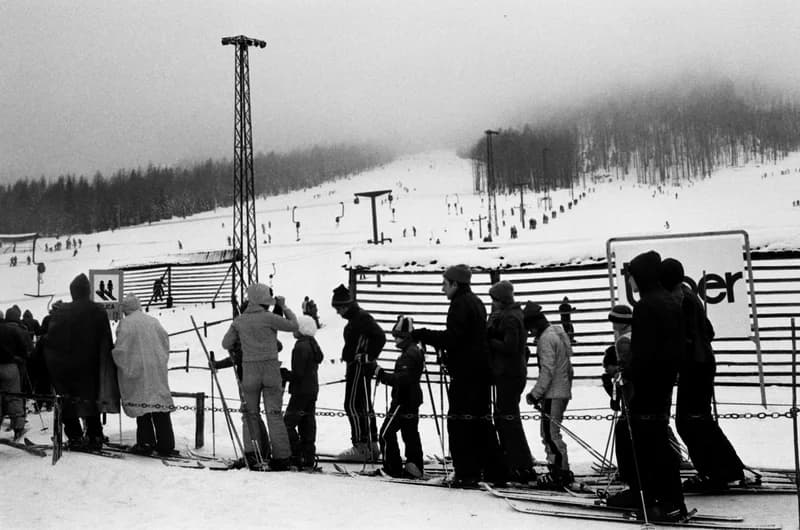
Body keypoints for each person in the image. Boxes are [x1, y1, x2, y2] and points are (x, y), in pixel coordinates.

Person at [607, 250, 687, 522]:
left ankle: (663, 501)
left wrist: (627, 374)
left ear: (640, 276)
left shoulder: (647, 305)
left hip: (648, 384)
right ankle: (653, 496)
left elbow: (642, 352)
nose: (630, 282)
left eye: (631, 277)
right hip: (662, 382)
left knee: (649, 445)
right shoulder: (669, 301)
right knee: (652, 442)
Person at [411, 264, 506, 487]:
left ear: (455, 284)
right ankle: (494, 470)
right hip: (479, 372)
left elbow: (455, 338)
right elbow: (468, 340)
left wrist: (423, 334)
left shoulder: (460, 304)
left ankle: (466, 472)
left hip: (467, 374)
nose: (442, 289)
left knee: (459, 423)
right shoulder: (475, 302)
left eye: (445, 284)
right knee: (482, 423)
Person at [660, 257, 746, 491]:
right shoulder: (688, 294)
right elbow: (708, 330)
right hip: (701, 363)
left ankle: (715, 472)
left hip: (695, 365)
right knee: (698, 420)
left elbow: (685, 336)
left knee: (691, 422)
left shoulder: (681, 299)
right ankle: (728, 468)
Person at [221, 283, 298, 470]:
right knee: (274, 414)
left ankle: (253, 454)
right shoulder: (270, 318)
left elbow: (225, 343)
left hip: (249, 372)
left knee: (250, 415)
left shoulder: (239, 321)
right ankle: (282, 458)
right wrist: (284, 307)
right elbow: (294, 326)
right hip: (271, 369)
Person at [43, 273, 120, 450]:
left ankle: (75, 436)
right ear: (88, 291)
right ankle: (95, 434)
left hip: (66, 367)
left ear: (73, 292)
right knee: (90, 400)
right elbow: (106, 340)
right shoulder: (98, 311)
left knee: (69, 401)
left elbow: (51, 339)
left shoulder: (62, 312)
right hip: (91, 366)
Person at [111, 294, 176, 456]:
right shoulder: (153, 321)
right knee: (159, 404)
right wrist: (159, 360)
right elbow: (165, 343)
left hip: (138, 370)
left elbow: (121, 350)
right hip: (155, 369)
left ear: (126, 309)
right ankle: (166, 444)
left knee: (142, 406)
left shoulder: (125, 324)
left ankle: (146, 442)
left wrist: (115, 357)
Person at [486, 280, 536, 484]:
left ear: (500, 300)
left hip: (510, 374)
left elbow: (510, 346)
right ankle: (515, 461)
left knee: (508, 419)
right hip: (508, 373)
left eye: (494, 300)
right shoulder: (508, 315)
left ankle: (520, 463)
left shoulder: (510, 318)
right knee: (505, 417)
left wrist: (489, 340)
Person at [523, 302, 575, 488]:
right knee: (552, 433)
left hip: (553, 393)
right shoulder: (557, 333)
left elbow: (547, 370)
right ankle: (560, 469)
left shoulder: (546, 339)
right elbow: (568, 368)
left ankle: (559, 472)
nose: (530, 334)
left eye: (530, 329)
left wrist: (535, 393)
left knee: (550, 434)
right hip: (561, 390)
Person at [331, 283, 385, 460]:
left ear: (345, 306)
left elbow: (380, 336)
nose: (338, 313)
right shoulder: (356, 319)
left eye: (338, 308)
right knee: (363, 404)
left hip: (359, 367)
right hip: (357, 366)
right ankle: (372, 445)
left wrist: (368, 356)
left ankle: (361, 445)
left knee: (352, 404)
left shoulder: (361, 319)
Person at [373, 315, 425, 479]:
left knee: (385, 433)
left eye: (397, 336)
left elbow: (402, 379)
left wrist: (380, 373)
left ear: (404, 337)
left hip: (403, 400)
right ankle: (414, 465)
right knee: (410, 433)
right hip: (412, 398)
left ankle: (392, 467)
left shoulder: (408, 354)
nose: (394, 340)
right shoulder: (414, 350)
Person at [282, 315, 324, 470]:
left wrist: (285, 374)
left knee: (288, 423)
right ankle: (308, 456)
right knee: (307, 423)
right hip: (312, 389)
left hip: (300, 391)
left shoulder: (300, 347)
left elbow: (298, 374)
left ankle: (296, 454)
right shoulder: (313, 344)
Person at [0, 309, 28, 440]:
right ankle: (18, 428)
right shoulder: (12, 330)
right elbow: (23, 348)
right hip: (10, 366)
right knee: (14, 397)